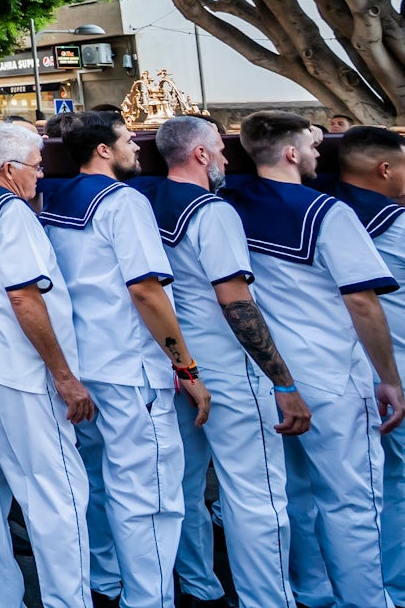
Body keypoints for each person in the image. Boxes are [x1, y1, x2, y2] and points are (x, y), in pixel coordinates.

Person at [225, 110, 402, 608]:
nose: (318, 154)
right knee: (352, 499)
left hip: (269, 375)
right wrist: (389, 378)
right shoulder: (327, 211)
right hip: (331, 375)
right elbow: (363, 301)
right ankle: (368, 601)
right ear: (289, 152)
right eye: (311, 145)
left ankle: (313, 593)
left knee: (295, 497)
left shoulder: (228, 202)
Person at [137, 115, 311, 608]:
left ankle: (199, 588)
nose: (227, 157)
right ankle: (267, 600)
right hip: (227, 364)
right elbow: (235, 300)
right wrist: (283, 381)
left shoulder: (145, 201)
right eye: (220, 148)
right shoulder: (212, 211)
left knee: (185, 488)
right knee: (256, 493)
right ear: (199, 155)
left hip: (175, 360)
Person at [40, 111, 210, 608]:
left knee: (97, 487)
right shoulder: (124, 201)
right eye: (126, 139)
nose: (137, 146)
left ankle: (109, 584)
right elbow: (146, 289)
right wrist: (187, 368)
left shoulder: (53, 198)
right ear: (103, 150)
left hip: (84, 364)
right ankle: (148, 599)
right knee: (150, 498)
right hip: (132, 367)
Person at [0, 119, 94, 608]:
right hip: (20, 371)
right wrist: (64, 376)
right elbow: (26, 298)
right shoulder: (11, 212)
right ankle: (69, 602)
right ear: (9, 169)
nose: (41, 175)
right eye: (36, 165)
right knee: (59, 492)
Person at [335, 124, 405, 607]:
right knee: (392, 487)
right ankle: (392, 588)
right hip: (391, 370)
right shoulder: (395, 223)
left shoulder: (321, 208)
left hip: (333, 370)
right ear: (385, 169)